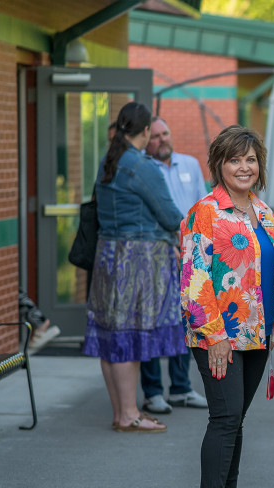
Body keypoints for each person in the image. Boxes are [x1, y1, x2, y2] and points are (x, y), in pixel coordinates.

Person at [181, 125, 274, 488]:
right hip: (218, 336)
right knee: (224, 420)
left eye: (250, 159)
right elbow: (193, 277)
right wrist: (215, 334)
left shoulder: (263, 212)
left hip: (257, 334)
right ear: (219, 165)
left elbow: (273, 273)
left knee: (236, 421)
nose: (244, 167)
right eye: (234, 159)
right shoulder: (205, 212)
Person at [82, 101, 183, 433]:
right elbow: (170, 216)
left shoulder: (108, 162)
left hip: (108, 255)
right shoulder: (142, 166)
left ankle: (121, 412)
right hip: (138, 259)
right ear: (145, 131)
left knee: (112, 335)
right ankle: (128, 414)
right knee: (129, 335)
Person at [141, 116, 209, 414]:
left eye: (165, 133)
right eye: (155, 136)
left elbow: (202, 206)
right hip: (155, 256)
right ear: (146, 141)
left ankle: (181, 387)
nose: (162, 140)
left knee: (187, 319)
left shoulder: (191, 164)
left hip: (189, 256)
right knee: (153, 322)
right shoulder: (143, 169)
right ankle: (153, 391)